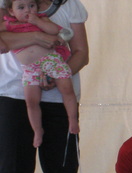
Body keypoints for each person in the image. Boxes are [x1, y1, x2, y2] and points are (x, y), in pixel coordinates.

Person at [0, 0, 97, 173]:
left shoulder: (69, 6)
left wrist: (55, 76)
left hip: (58, 99)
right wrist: (39, 37)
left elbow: (81, 53)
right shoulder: (6, 3)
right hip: (13, 98)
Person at [1, 0, 78, 148]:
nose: (27, 11)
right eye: (21, 8)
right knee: (31, 101)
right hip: (30, 68)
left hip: (51, 60)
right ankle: (37, 130)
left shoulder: (42, 19)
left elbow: (54, 30)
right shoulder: (10, 25)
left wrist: (38, 22)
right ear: (11, 11)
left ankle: (72, 119)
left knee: (67, 89)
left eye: (32, 6)